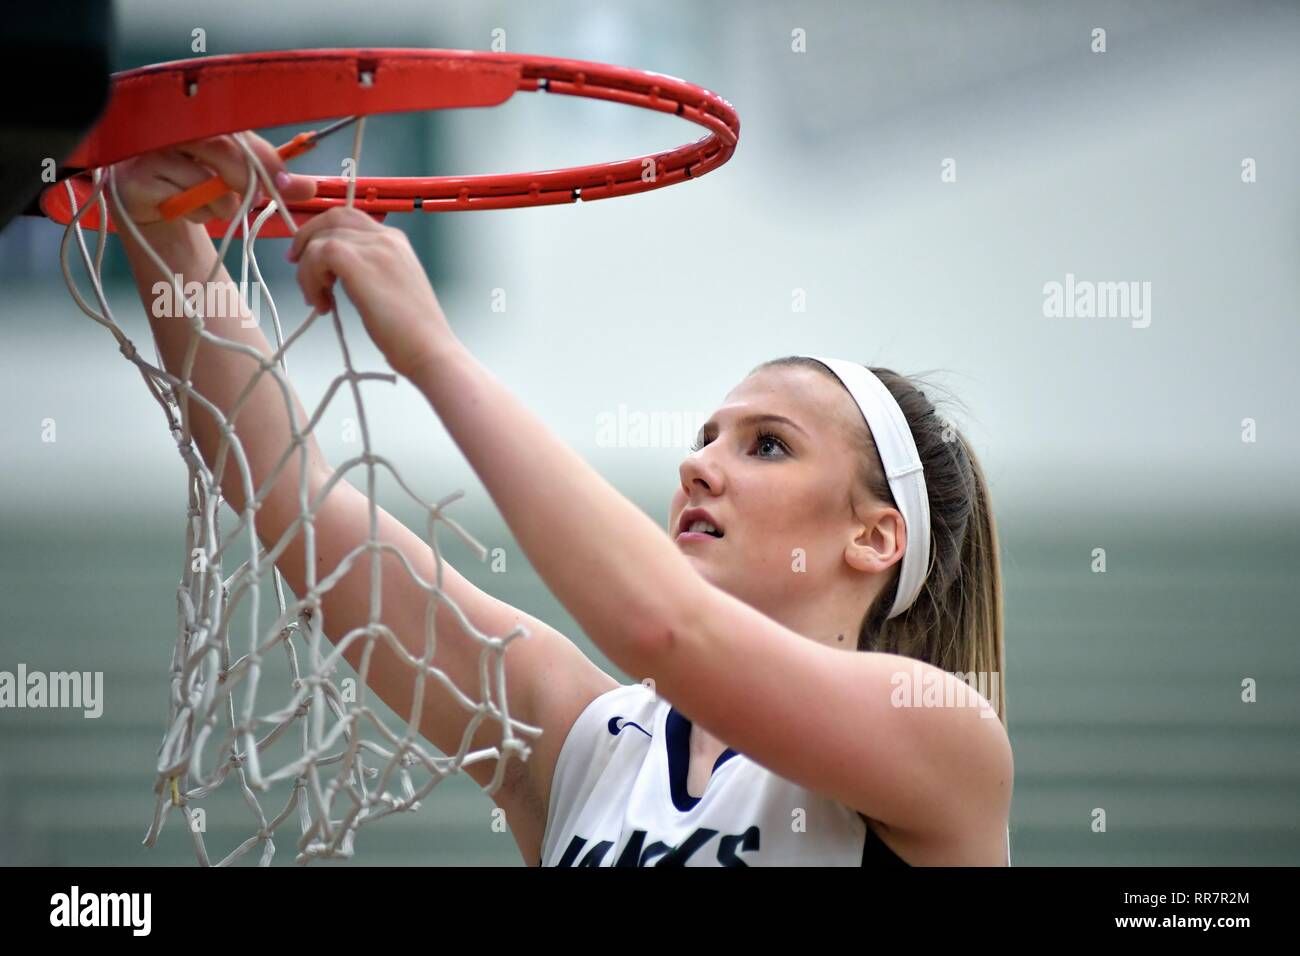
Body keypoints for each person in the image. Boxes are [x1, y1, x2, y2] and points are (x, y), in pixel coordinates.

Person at [112, 131, 1013, 867]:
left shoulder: (939, 733)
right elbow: (294, 497)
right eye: (704, 438)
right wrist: (165, 232)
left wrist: (435, 354)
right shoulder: (586, 740)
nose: (699, 468)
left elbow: (659, 626)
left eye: (767, 445)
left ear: (875, 536)